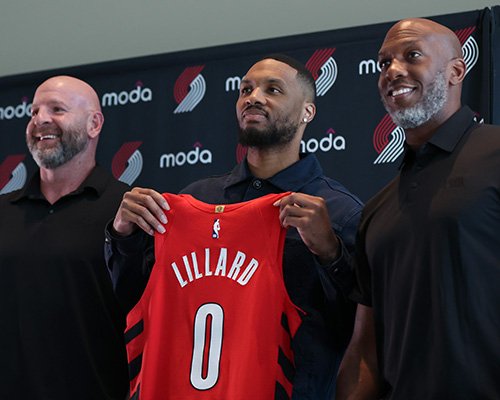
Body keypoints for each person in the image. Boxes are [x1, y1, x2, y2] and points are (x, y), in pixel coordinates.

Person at [105, 55, 363, 399]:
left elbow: (360, 331)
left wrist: (330, 252)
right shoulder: (194, 200)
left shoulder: (338, 211)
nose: (253, 97)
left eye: (273, 90)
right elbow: (133, 298)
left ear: (307, 112)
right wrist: (122, 235)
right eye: (246, 90)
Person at [336, 18, 500, 400]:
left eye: (412, 55)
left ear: (455, 72)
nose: (393, 71)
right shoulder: (376, 210)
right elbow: (365, 352)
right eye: (384, 62)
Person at [0, 76, 129, 399]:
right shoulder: (3, 211)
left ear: (94, 124)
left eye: (57, 109)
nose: (40, 119)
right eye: (34, 111)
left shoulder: (129, 210)